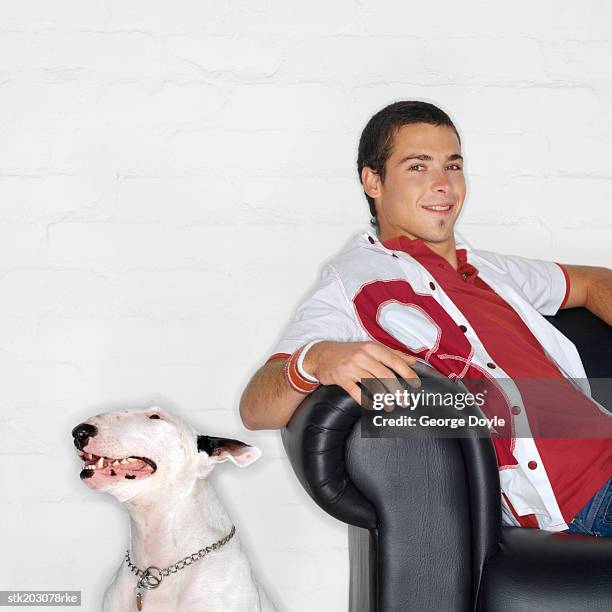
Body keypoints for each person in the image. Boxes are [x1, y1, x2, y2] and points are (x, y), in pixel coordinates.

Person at [239, 101, 612, 536]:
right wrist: (316, 359)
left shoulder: (493, 271)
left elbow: (592, 283)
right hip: (588, 499)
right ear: (372, 181)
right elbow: (255, 407)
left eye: (453, 166)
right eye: (418, 167)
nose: (443, 185)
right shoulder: (353, 282)